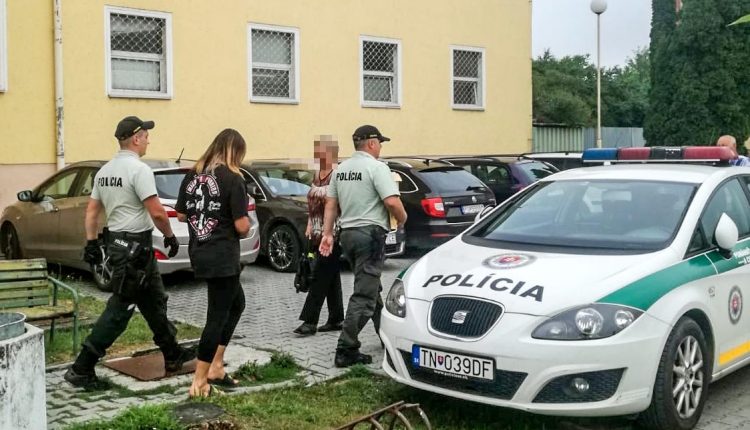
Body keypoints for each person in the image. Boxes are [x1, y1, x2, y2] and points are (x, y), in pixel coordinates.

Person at [64, 116, 195, 388]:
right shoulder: (139, 170)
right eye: (146, 136)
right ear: (136, 138)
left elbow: (92, 212)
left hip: (121, 246)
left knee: (154, 300)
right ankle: (82, 367)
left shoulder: (105, 171)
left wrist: (91, 243)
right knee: (120, 308)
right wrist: (170, 236)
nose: (149, 140)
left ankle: (172, 353)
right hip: (135, 249)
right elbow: (157, 212)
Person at [319, 125, 407, 367]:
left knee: (371, 287)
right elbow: (392, 201)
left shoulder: (341, 170)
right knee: (364, 295)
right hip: (370, 235)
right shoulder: (377, 168)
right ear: (371, 143)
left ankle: (385, 335)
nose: (380, 148)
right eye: (380, 143)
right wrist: (403, 219)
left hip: (348, 235)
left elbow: (330, 205)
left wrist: (327, 234)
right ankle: (346, 348)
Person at [175, 128, 250, 398]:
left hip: (201, 250)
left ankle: (216, 366)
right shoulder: (234, 179)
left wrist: (205, 212)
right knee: (216, 317)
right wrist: (244, 221)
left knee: (236, 304)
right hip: (223, 255)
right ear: (235, 152)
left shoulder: (193, 175)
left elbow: (181, 214)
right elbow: (241, 226)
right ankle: (199, 381)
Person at [293, 135, 345, 336]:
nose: (319, 156)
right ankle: (336, 318)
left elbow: (337, 204)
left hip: (332, 234)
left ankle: (310, 321)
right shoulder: (316, 174)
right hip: (316, 231)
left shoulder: (337, 175)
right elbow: (313, 202)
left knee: (320, 277)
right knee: (331, 277)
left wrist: (328, 231)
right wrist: (309, 223)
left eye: (323, 152)